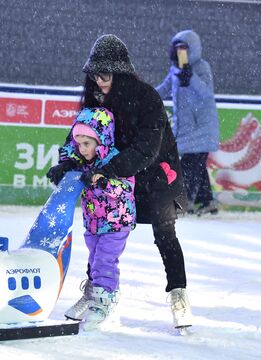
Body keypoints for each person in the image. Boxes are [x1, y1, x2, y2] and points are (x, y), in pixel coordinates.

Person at [47, 34, 192, 329]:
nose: (99, 81)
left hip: (155, 175)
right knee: (100, 233)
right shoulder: (95, 98)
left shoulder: (147, 98)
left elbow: (147, 148)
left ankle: (178, 293)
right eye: (94, 75)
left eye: (105, 75)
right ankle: (97, 291)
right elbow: (79, 135)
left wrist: (111, 168)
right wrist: (67, 161)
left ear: (121, 73)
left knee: (165, 233)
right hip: (111, 180)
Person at [52, 107, 136, 330]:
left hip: (116, 222)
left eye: (86, 143)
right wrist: (63, 170)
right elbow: (71, 163)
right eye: (78, 143)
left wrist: (103, 181)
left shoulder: (115, 160)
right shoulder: (84, 161)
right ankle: (99, 294)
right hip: (93, 222)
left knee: (104, 261)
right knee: (94, 261)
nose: (82, 148)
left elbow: (126, 188)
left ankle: (102, 302)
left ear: (100, 140)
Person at [156, 30, 220, 216]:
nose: (180, 52)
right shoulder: (175, 69)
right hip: (186, 129)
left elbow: (207, 93)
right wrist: (144, 94)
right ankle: (207, 202)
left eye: (184, 48)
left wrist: (190, 77)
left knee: (188, 167)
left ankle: (184, 203)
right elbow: (164, 89)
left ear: (193, 49)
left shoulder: (202, 68)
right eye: (177, 48)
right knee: (196, 167)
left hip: (202, 127)